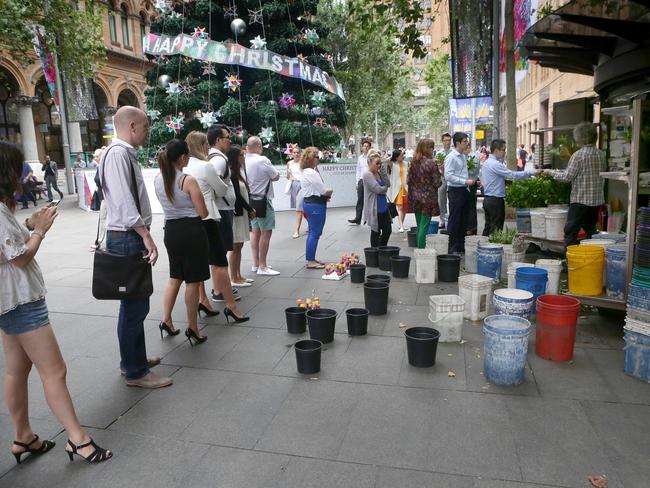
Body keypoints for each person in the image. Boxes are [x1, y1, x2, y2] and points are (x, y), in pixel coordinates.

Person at [0, 140, 113, 464]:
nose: (21, 174)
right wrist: (41, 231)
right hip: (21, 301)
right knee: (55, 371)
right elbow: (19, 258)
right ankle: (78, 440)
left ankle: (23, 438)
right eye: (17, 168)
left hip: (8, 302)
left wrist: (27, 225)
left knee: (16, 372)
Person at [98, 106, 172, 389]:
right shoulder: (117, 154)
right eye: (144, 127)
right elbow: (124, 203)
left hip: (127, 235)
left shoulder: (120, 154)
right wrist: (146, 237)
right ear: (131, 126)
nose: (147, 132)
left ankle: (131, 361)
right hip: (128, 237)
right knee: (135, 305)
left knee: (131, 304)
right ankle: (136, 371)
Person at [184, 131, 249, 323]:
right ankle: (231, 305)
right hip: (209, 215)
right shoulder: (205, 166)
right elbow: (221, 189)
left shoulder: (184, 166)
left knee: (198, 263)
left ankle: (203, 300)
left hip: (189, 218)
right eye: (206, 144)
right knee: (220, 262)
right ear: (202, 145)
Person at [154, 139, 211, 346]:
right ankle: (193, 327)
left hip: (171, 230)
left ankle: (166, 320)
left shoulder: (159, 180)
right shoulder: (187, 180)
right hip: (191, 231)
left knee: (174, 277)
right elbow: (203, 212)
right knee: (193, 281)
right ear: (182, 157)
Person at [544, 122, 605, 247]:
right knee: (591, 232)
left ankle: (570, 263)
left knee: (571, 233)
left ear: (580, 138)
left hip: (580, 201)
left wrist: (549, 172)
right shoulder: (601, 154)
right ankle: (590, 258)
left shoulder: (578, 155)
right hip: (596, 201)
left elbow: (567, 177)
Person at [481, 139, 537, 237]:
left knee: (488, 228)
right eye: (503, 149)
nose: (505, 152)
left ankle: (482, 249)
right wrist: (531, 172)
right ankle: (493, 250)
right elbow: (512, 174)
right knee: (496, 230)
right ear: (496, 151)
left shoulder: (487, 162)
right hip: (495, 200)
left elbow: (494, 178)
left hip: (488, 199)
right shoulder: (495, 164)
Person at [207, 125, 237, 301]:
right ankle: (220, 291)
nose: (230, 140)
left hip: (221, 208)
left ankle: (217, 288)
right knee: (220, 253)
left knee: (217, 252)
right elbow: (213, 182)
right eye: (227, 137)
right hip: (222, 209)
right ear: (218, 140)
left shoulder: (213, 157)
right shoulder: (218, 160)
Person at [245, 136, 281, 276]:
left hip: (250, 201)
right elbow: (275, 176)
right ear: (259, 146)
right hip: (263, 201)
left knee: (255, 232)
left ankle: (256, 263)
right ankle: (263, 266)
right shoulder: (262, 160)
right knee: (266, 232)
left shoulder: (244, 160)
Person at [227, 145, 256, 287]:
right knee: (235, 245)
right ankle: (233, 277)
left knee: (239, 245)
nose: (243, 158)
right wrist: (250, 209)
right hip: (238, 213)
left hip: (241, 213)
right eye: (241, 155)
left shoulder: (238, 173)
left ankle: (238, 275)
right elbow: (237, 196)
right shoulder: (232, 173)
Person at [300, 146, 333, 268]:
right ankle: (310, 261)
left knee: (313, 232)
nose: (319, 159)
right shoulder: (311, 172)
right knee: (314, 233)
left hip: (311, 204)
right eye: (317, 157)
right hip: (315, 206)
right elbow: (324, 190)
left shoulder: (307, 171)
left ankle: (311, 258)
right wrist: (331, 190)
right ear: (311, 159)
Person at [406, 139, 442, 248]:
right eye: (432, 147)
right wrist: (439, 172)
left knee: (419, 226)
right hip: (428, 199)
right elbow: (437, 182)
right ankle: (421, 251)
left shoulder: (413, 162)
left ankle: (419, 251)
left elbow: (409, 181)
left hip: (415, 198)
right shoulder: (432, 163)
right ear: (427, 149)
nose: (433, 149)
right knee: (424, 227)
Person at [444, 132, 476, 254]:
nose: (467, 143)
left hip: (464, 190)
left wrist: (470, 182)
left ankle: (460, 246)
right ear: (457, 143)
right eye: (464, 141)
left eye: (467, 141)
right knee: (454, 220)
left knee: (463, 220)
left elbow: (462, 173)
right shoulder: (451, 157)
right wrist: (465, 181)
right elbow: (448, 176)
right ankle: (452, 248)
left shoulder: (462, 156)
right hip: (455, 191)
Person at [363, 151, 392, 247]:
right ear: (370, 163)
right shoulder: (367, 175)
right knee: (376, 232)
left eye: (380, 163)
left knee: (388, 230)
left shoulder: (379, 173)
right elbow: (378, 189)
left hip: (384, 207)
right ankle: (375, 252)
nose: (379, 165)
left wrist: (383, 171)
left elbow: (388, 184)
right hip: (374, 208)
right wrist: (385, 189)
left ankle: (382, 248)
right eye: (377, 163)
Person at [348, 139, 371, 225]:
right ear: (362, 147)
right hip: (361, 180)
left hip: (370, 180)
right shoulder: (360, 158)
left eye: (367, 146)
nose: (366, 147)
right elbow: (358, 170)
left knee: (369, 200)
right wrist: (357, 182)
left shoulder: (371, 157)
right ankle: (358, 218)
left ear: (369, 147)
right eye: (364, 146)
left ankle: (369, 218)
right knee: (360, 200)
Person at [387, 149, 408, 233]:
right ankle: (401, 226)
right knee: (400, 207)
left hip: (406, 187)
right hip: (397, 188)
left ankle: (401, 225)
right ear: (396, 157)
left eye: (403, 155)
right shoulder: (393, 164)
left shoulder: (406, 164)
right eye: (401, 155)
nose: (403, 156)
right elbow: (387, 160)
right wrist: (392, 156)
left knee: (405, 208)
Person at [286, 147, 304, 238]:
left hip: (303, 185)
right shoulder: (289, 163)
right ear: (292, 154)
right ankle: (312, 224)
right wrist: (289, 173)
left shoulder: (303, 163)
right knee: (300, 208)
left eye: (298, 152)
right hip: (294, 184)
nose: (296, 154)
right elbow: (288, 177)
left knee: (299, 208)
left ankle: (296, 230)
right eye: (294, 152)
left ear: (300, 153)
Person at [437, 133, 452, 230]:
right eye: (445, 140)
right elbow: (437, 166)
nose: (447, 142)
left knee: (452, 199)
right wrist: (440, 169)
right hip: (442, 178)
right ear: (442, 141)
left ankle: (451, 218)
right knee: (441, 200)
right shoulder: (439, 153)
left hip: (452, 179)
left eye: (449, 140)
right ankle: (442, 219)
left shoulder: (453, 152)